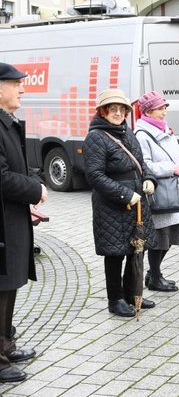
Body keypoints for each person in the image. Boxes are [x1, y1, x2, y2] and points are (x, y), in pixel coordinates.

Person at [83, 89, 158, 318]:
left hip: (137, 203)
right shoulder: (96, 137)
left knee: (136, 250)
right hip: (112, 205)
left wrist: (148, 179)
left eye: (121, 109)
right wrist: (125, 194)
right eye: (112, 109)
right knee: (115, 254)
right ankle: (115, 300)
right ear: (103, 111)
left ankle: (133, 294)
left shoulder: (127, 131)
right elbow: (95, 176)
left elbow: (141, 163)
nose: (117, 113)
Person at [0, 62, 47, 382]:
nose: (23, 89)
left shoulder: (7, 121)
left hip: (11, 218)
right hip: (3, 222)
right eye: (17, 84)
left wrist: (32, 185)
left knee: (11, 284)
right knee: (1, 288)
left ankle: (5, 344)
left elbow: (16, 164)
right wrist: (36, 188)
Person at [134, 91, 179, 292]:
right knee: (159, 240)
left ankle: (154, 273)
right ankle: (155, 277)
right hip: (159, 194)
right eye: (160, 108)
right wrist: (172, 168)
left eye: (165, 107)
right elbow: (145, 166)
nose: (164, 112)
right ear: (148, 111)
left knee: (168, 239)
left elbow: (178, 155)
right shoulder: (142, 135)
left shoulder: (165, 129)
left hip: (172, 192)